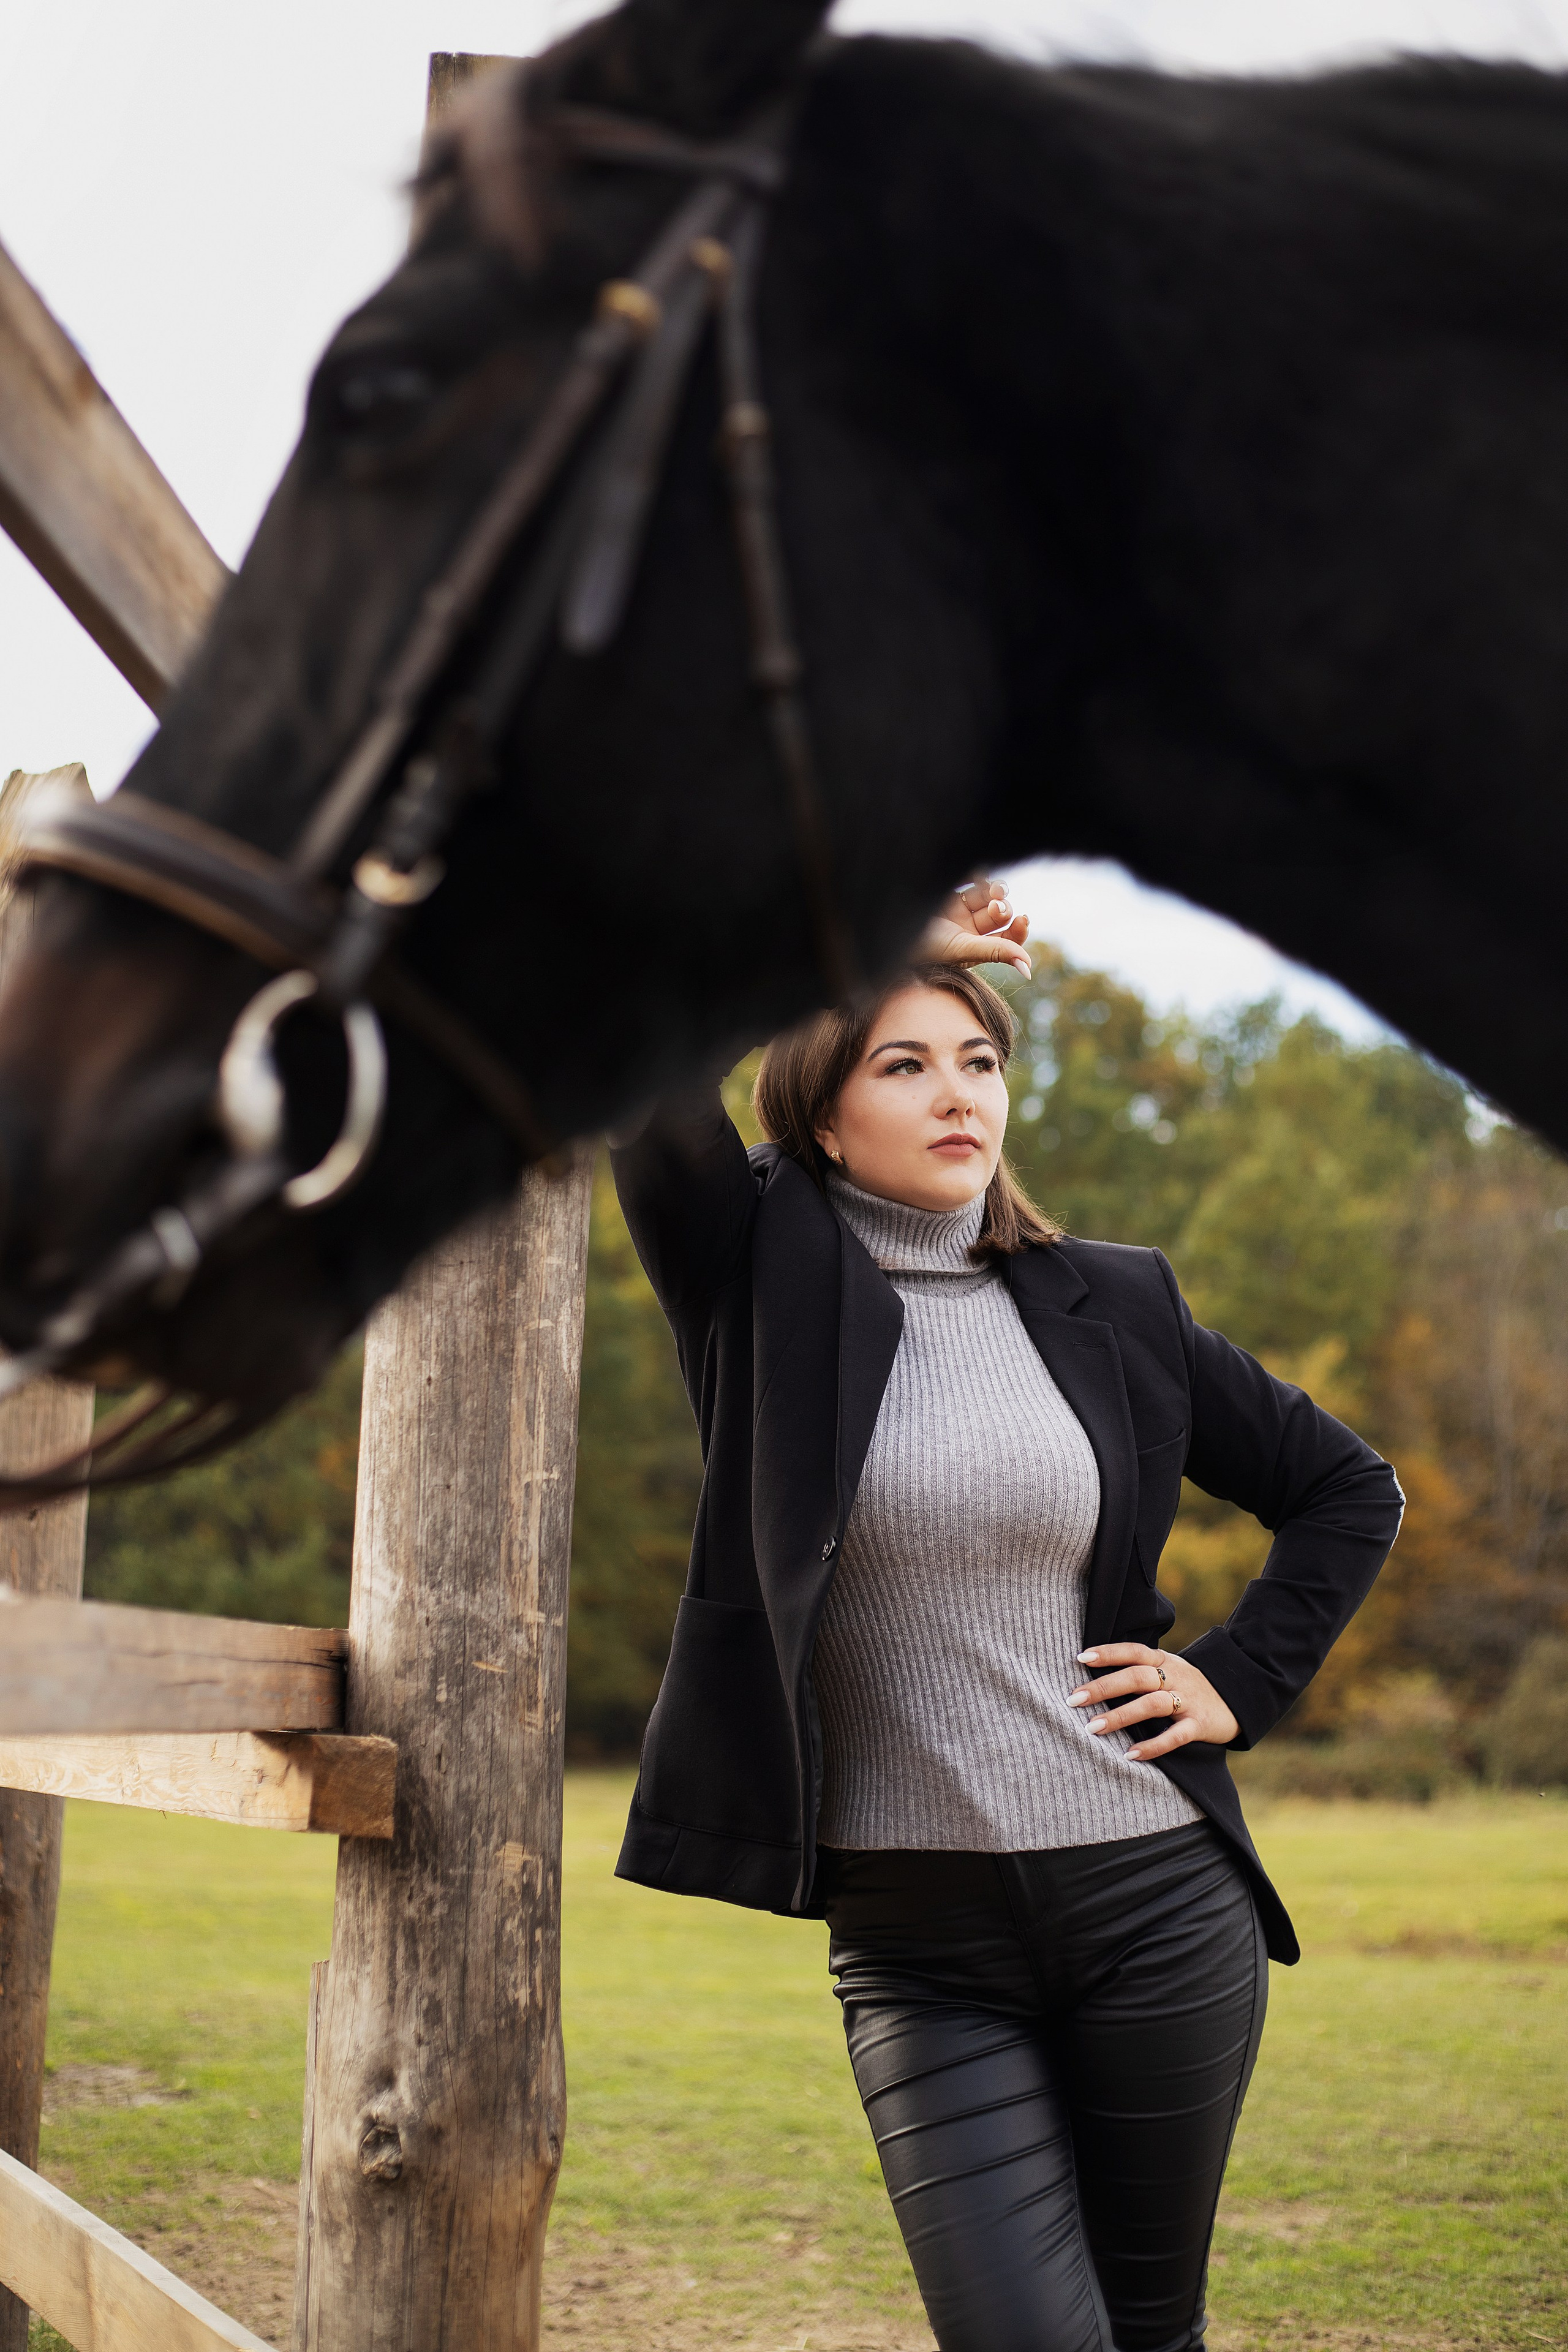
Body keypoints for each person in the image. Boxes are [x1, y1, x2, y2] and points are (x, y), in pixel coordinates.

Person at [609, 882, 1404, 2352]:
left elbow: (1345, 1489)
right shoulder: (752, 1279)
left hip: (1155, 1903)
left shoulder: (1113, 1301)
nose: (955, 1092)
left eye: (976, 1060)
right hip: (918, 1947)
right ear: (820, 1118)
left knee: (1148, 2334)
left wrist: (1239, 1676)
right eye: (900, 1063)